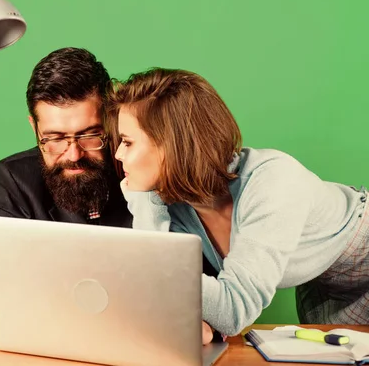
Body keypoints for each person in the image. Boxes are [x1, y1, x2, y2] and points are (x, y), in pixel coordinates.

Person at [109, 67, 369, 337]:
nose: (117, 154)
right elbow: (162, 287)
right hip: (322, 283)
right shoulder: (175, 209)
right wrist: (145, 203)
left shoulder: (272, 181)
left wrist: (141, 200)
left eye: (127, 142)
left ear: (172, 146)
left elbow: (232, 312)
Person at [0, 47, 134, 318]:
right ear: (34, 128)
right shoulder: (15, 179)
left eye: (89, 135)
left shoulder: (141, 167)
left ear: (110, 121)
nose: (73, 155)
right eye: (55, 138)